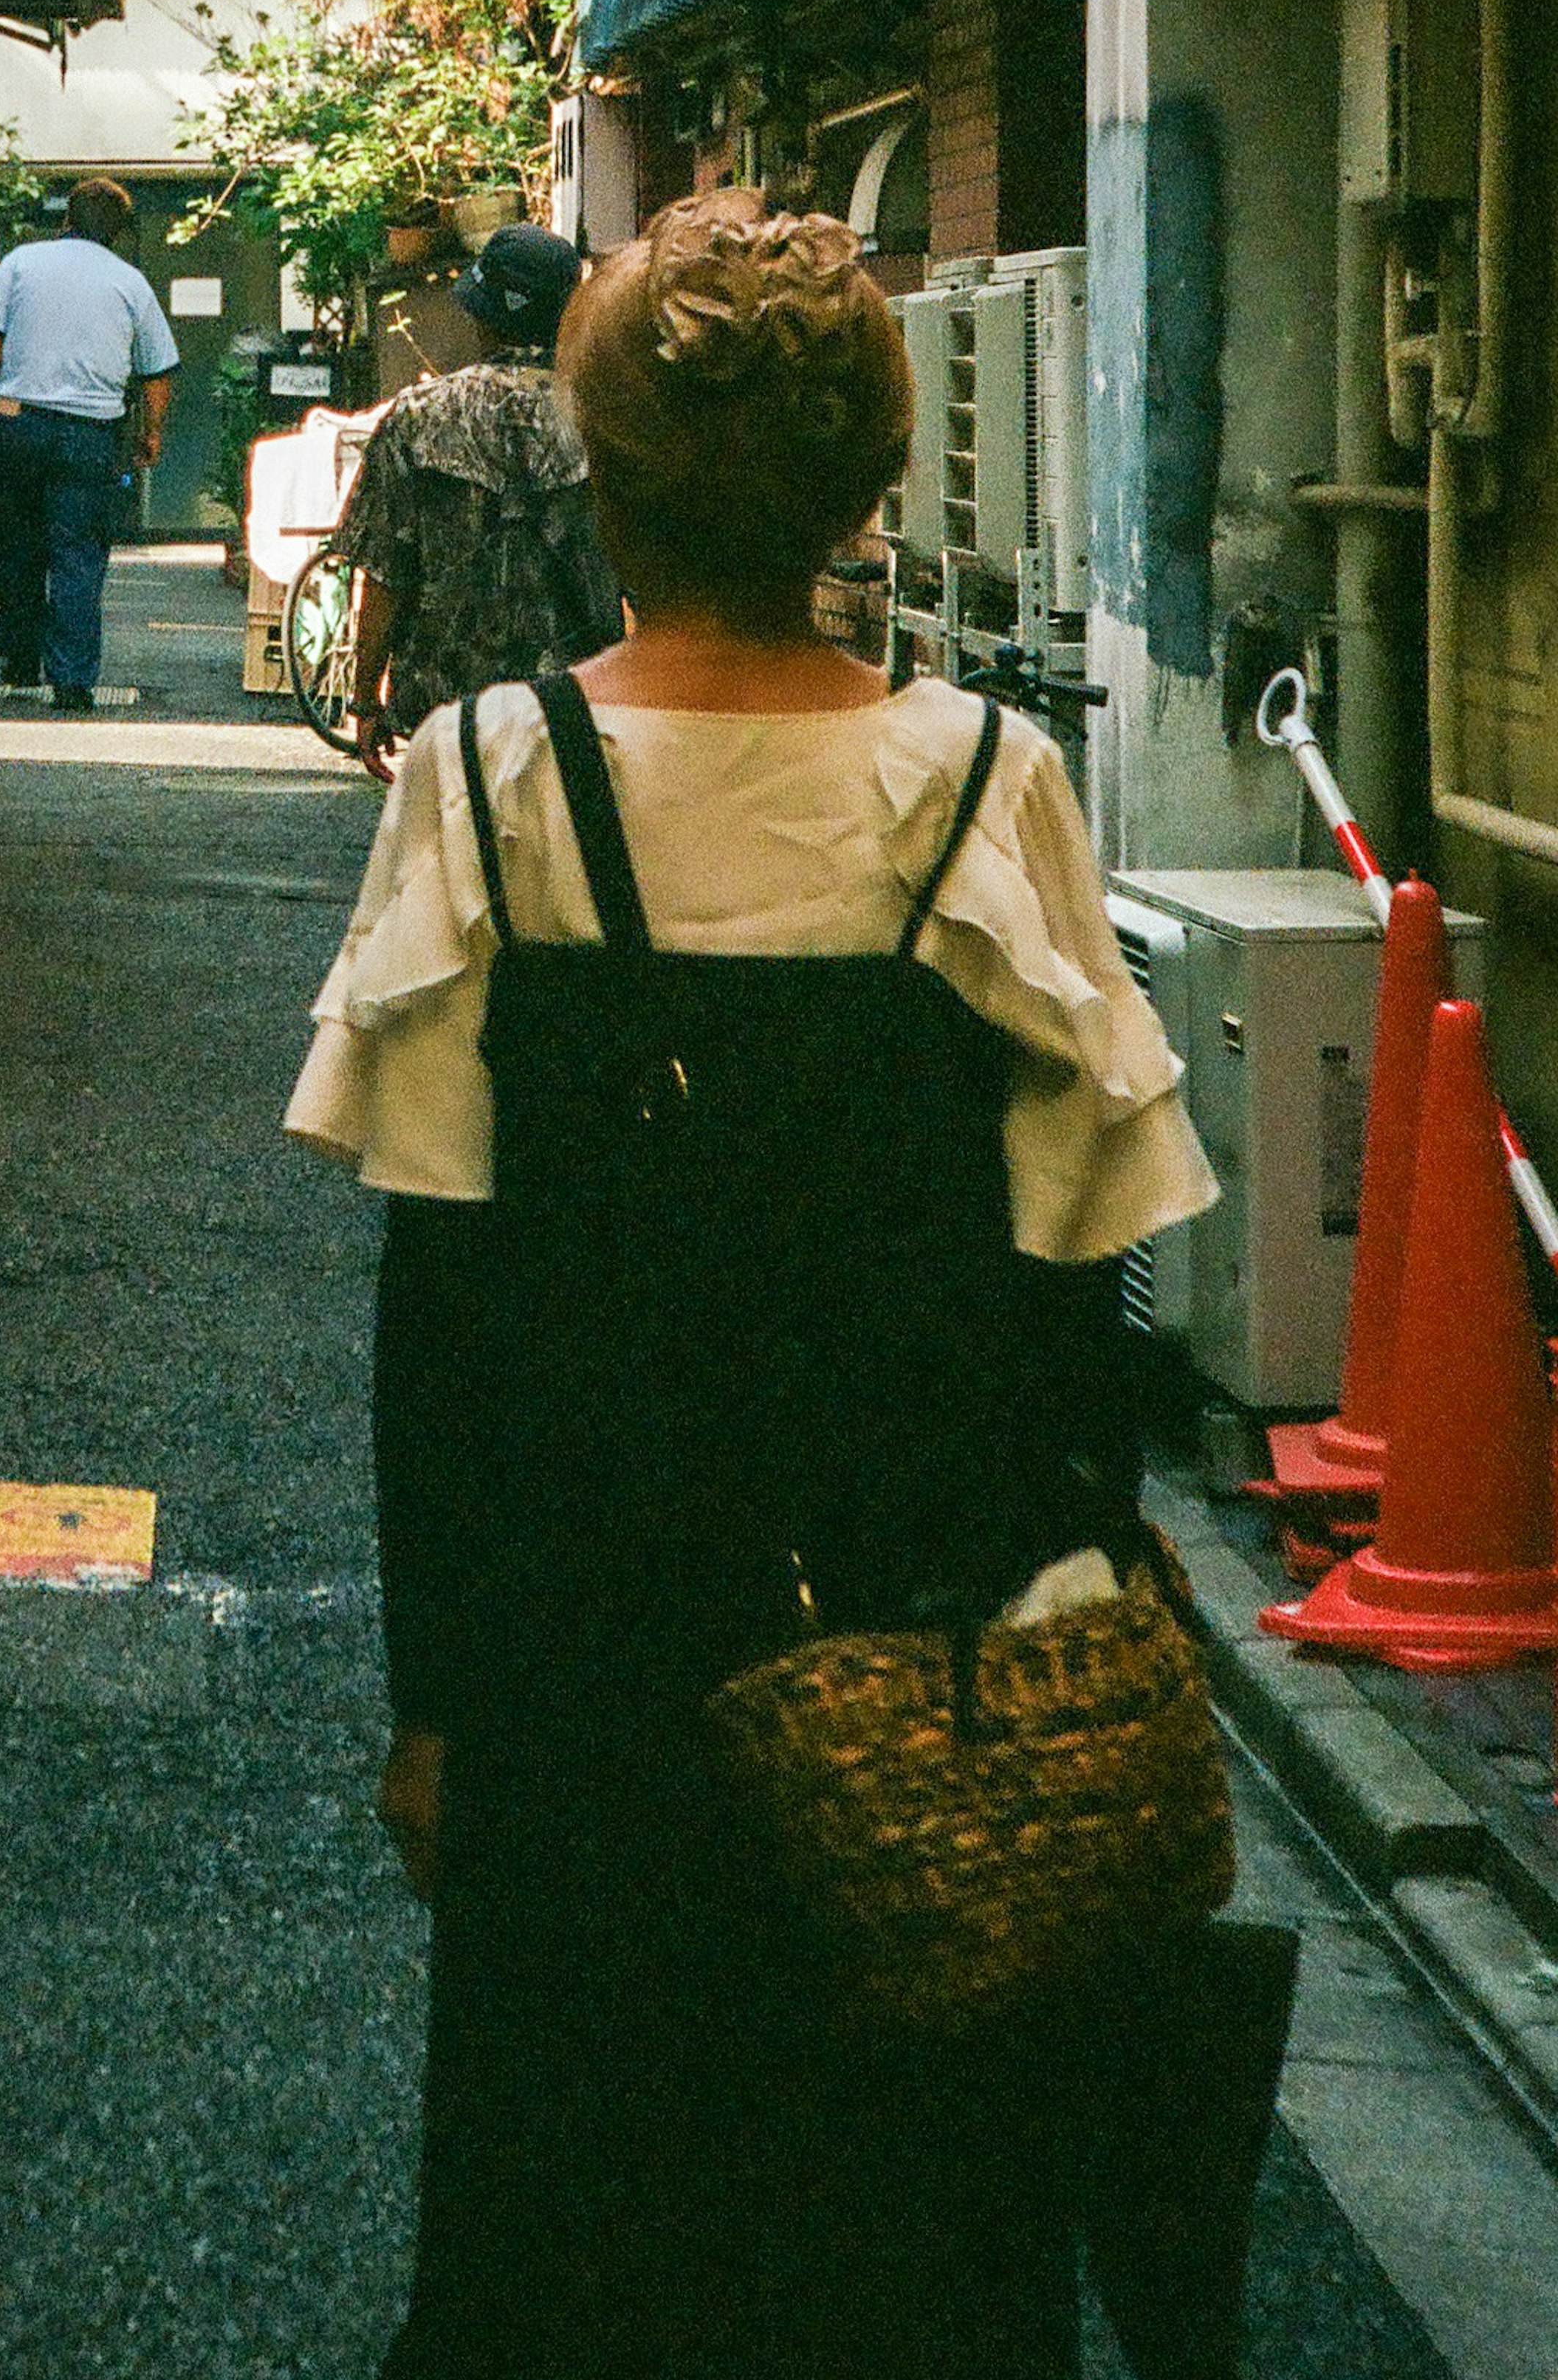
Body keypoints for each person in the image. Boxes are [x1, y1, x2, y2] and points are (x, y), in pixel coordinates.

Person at [286, 189, 1218, 2380]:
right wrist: (1080, 1629)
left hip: (572, 1654)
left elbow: (442, 1292)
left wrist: (435, 1699)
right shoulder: (986, 781)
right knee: (911, 2248)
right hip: (928, 1651)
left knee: (562, 2239)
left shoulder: (489, 776)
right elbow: (1076, 1279)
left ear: (599, 473)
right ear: (864, 485)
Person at [335, 221, 622, 778]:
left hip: (444, 714)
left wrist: (367, 700)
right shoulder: (609, 420)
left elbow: (384, 575)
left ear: (482, 314)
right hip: (575, 710)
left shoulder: (419, 418)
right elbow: (650, 581)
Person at [0, 176, 177, 712]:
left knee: (16, 545)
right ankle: (72, 681)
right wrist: (151, 434)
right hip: (91, 435)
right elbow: (158, 374)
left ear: (67, 217)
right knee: (80, 554)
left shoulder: (21, 262)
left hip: (19, 427)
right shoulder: (132, 284)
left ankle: (19, 658)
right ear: (117, 231)